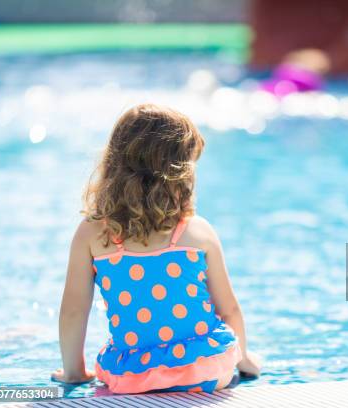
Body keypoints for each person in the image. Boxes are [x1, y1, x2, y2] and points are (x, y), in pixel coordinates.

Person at [51, 104, 261, 394]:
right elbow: (230, 310)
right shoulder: (196, 231)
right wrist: (244, 359)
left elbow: (74, 310)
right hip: (206, 368)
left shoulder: (92, 233)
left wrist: (74, 372)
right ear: (181, 173)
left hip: (132, 377)